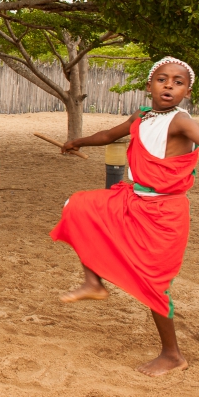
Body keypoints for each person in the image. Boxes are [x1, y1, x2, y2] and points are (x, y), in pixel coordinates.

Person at [51, 57, 199, 376]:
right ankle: (93, 282)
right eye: (162, 79)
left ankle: (172, 355)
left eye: (178, 82)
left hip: (165, 213)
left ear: (187, 92)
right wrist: (78, 141)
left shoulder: (181, 121)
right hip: (134, 200)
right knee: (77, 205)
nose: (169, 85)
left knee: (155, 284)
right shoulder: (142, 116)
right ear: (149, 86)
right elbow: (108, 134)